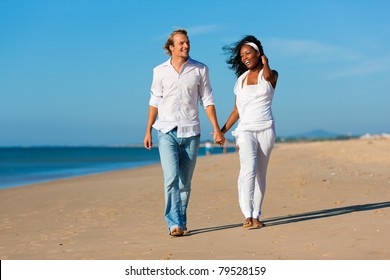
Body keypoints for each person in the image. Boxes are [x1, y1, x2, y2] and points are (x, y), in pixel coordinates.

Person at [144, 29, 225, 236]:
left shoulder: (200, 70)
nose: (186, 46)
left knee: (185, 183)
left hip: (191, 132)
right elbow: (154, 102)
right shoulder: (159, 71)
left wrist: (216, 129)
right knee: (171, 178)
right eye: (181, 43)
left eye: (187, 42)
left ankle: (181, 219)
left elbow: (207, 100)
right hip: (166, 131)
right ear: (171, 47)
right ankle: (174, 224)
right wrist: (148, 131)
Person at [221, 35, 278, 229]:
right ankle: (247, 213)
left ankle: (256, 215)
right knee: (248, 169)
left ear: (258, 53)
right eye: (241, 55)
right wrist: (222, 131)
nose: (244, 57)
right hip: (245, 130)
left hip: (266, 129)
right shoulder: (240, 81)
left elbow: (269, 77)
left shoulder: (271, 74)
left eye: (248, 53)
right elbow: (236, 111)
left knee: (261, 173)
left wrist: (266, 63)